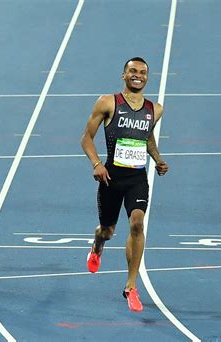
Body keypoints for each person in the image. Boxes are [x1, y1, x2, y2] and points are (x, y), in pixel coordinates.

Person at [81, 57, 169, 312]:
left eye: (142, 72)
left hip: (137, 179)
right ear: (124, 75)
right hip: (111, 178)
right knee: (107, 231)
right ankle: (98, 243)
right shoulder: (108, 102)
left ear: (147, 78)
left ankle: (131, 286)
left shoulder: (156, 109)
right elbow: (86, 138)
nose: (137, 75)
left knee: (137, 224)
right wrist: (96, 164)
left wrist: (158, 158)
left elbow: (146, 136)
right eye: (132, 71)